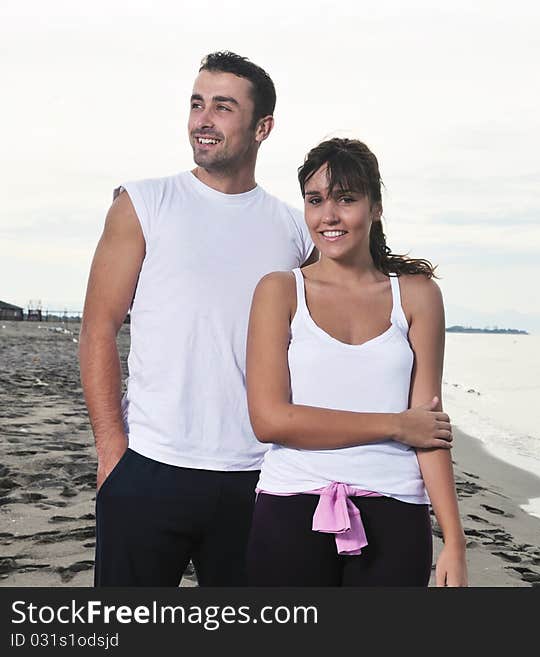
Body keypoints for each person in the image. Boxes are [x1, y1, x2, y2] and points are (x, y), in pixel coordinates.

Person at [79, 52, 453, 587]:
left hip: (257, 477)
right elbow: (97, 329)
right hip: (151, 464)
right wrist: (112, 449)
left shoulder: (292, 228)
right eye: (196, 104)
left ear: (262, 127)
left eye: (223, 107)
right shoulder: (144, 203)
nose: (203, 119)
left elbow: (345, 312)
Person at [245, 138, 467, 587]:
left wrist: (455, 542)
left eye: (346, 199)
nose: (329, 215)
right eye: (315, 200)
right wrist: (393, 424)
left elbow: (429, 430)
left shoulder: (418, 295)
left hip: (396, 511)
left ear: (376, 207)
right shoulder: (279, 291)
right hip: (291, 507)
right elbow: (269, 420)